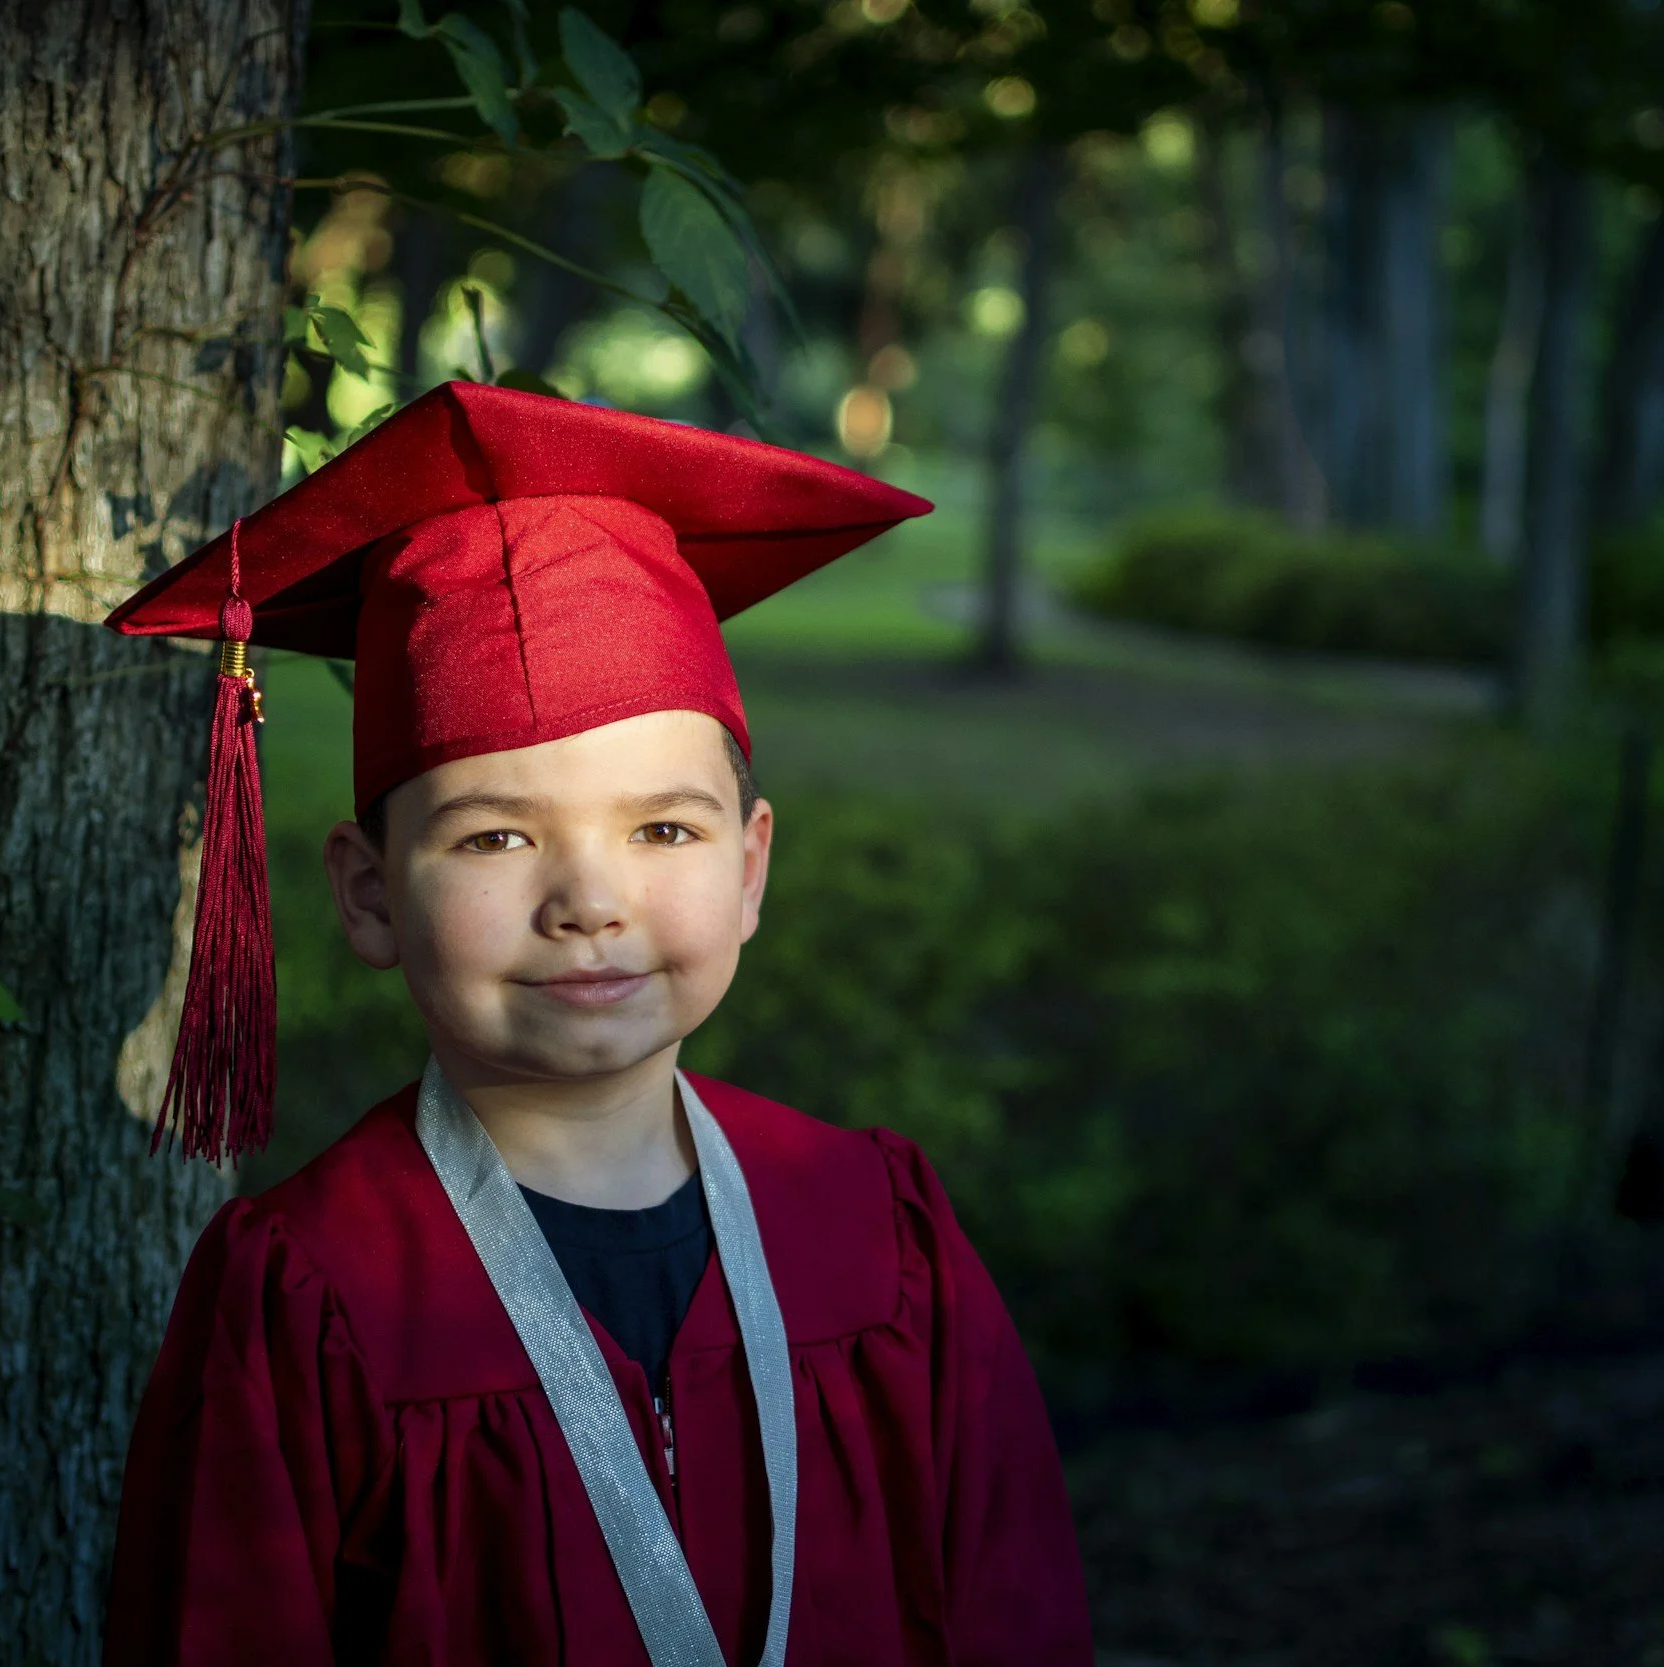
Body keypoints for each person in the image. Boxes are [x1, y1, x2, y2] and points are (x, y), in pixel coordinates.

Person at [99, 382, 1091, 1667]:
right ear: (367, 891)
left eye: (663, 828)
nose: (587, 902)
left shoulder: (881, 1230)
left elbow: (1018, 1615)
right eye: (496, 835)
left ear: (749, 867)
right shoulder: (306, 1291)